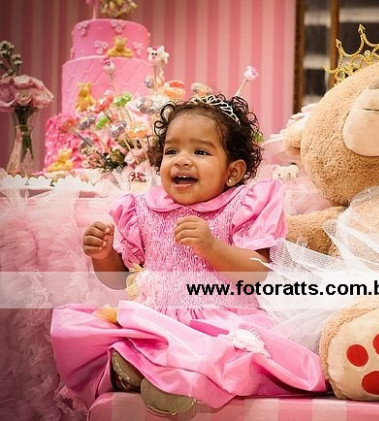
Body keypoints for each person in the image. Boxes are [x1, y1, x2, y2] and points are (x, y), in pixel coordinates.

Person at [50, 94, 327, 416]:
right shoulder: (143, 210)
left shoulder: (243, 206)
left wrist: (212, 246)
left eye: (200, 152)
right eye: (172, 151)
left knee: (223, 353)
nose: (182, 160)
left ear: (232, 172)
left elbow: (257, 272)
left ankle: (172, 379)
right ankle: (144, 371)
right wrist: (102, 256)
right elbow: (120, 279)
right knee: (104, 333)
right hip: (157, 320)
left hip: (221, 320)